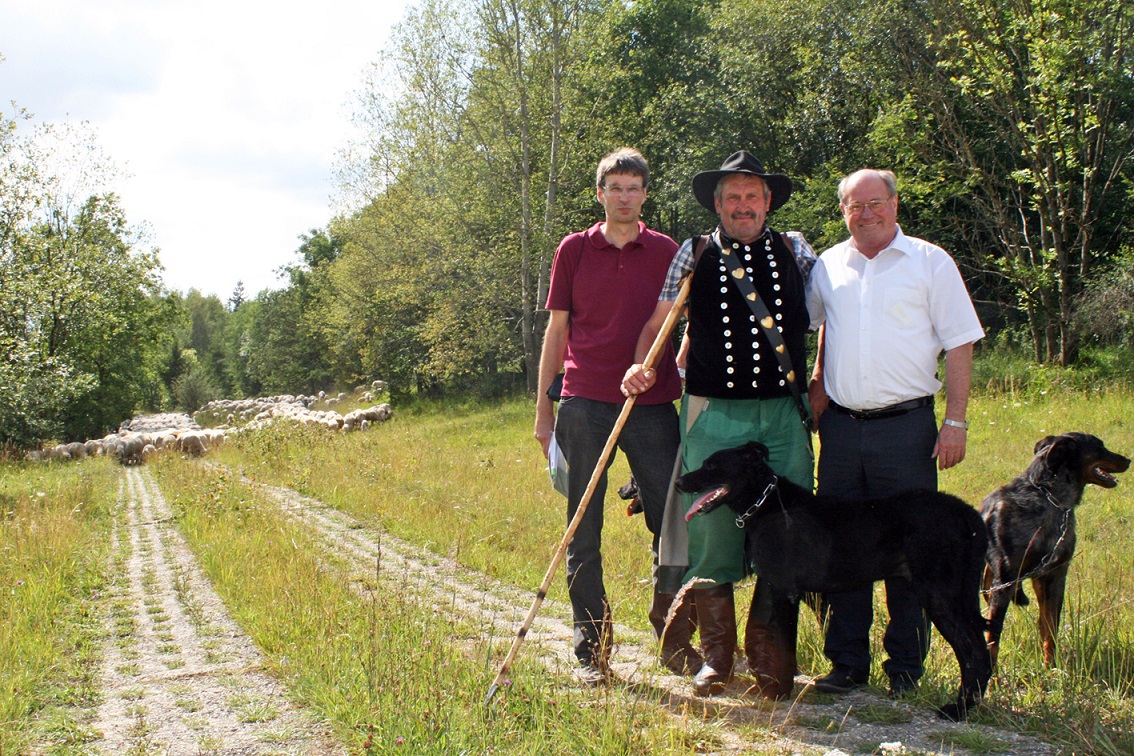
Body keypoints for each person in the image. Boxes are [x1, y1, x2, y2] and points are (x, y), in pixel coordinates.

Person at [622, 150, 815, 697]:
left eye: (752, 195)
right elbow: (661, 320)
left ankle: (773, 661)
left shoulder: (796, 249)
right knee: (708, 527)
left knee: (790, 525)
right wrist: (642, 364)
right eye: (732, 196)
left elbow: (830, 314)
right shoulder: (696, 251)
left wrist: (822, 382)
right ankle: (716, 660)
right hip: (713, 411)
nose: (743, 205)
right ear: (717, 203)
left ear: (768, 201)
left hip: (783, 412)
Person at [805, 168, 985, 697]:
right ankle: (847, 664)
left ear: (895, 204)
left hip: (905, 430)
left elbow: (960, 344)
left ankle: (905, 669)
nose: (866, 214)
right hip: (839, 431)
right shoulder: (828, 265)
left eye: (875, 203)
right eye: (854, 206)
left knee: (912, 553)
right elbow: (822, 331)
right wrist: (818, 384)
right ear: (842, 211)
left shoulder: (930, 263)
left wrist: (955, 420)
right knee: (841, 550)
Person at [534, 147, 695, 685]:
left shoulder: (669, 250)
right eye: (615, 188)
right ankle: (592, 646)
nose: (624, 198)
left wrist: (672, 366)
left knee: (671, 522)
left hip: (653, 403)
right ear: (600, 193)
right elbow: (556, 332)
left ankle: (672, 635)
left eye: (634, 188)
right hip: (584, 401)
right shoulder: (574, 249)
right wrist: (544, 411)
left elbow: (683, 322)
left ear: (646, 194)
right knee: (583, 525)